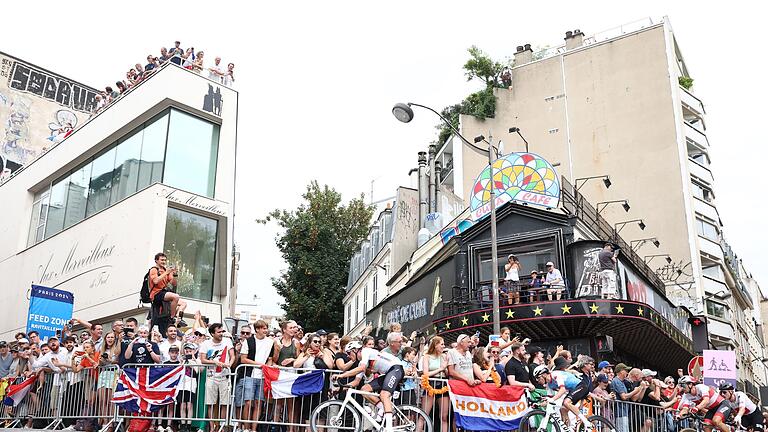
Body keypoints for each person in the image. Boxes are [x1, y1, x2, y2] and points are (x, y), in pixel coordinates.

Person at [332, 343, 405, 431]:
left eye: (348, 353)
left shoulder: (365, 351)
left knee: (384, 394)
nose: (348, 356)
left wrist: (342, 375)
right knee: (364, 389)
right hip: (388, 373)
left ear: (355, 350)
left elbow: (362, 368)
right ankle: (385, 409)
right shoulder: (362, 363)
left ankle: (389, 427)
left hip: (396, 369)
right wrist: (341, 389)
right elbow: (356, 382)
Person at [199, 323, 235, 432]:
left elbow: (233, 356)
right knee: (210, 403)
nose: (221, 334)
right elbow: (203, 359)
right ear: (212, 333)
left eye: (222, 331)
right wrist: (214, 362)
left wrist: (229, 364)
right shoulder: (206, 343)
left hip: (225, 376)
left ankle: (222, 427)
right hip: (211, 376)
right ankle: (212, 427)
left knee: (225, 403)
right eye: (219, 332)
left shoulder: (227, 341)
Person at [238, 320, 273, 431]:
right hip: (249, 375)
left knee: (259, 403)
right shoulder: (248, 341)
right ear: (257, 329)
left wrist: (267, 367)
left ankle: (253, 429)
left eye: (266, 328)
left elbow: (270, 359)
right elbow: (243, 359)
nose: (265, 330)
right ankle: (246, 429)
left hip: (262, 376)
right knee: (248, 402)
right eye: (263, 328)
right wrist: (260, 365)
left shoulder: (270, 342)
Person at [148, 252, 187, 329]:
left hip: (163, 292)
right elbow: (155, 281)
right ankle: (172, 317)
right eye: (162, 260)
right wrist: (166, 273)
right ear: (156, 260)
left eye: (165, 260)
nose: (164, 262)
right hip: (156, 294)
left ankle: (177, 317)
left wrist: (175, 274)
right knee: (175, 297)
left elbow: (174, 283)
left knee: (183, 303)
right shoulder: (154, 269)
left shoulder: (166, 270)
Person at [421, 336, 449, 432]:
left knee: (444, 417)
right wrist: (440, 369)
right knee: (424, 414)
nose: (443, 346)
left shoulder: (444, 356)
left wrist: (445, 369)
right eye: (441, 344)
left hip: (443, 384)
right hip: (430, 384)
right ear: (435, 345)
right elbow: (425, 374)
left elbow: (448, 373)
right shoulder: (426, 356)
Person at [611, 363, 645, 432]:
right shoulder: (616, 381)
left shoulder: (622, 382)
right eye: (625, 370)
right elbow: (624, 397)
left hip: (624, 412)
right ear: (621, 371)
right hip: (620, 412)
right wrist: (637, 390)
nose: (627, 372)